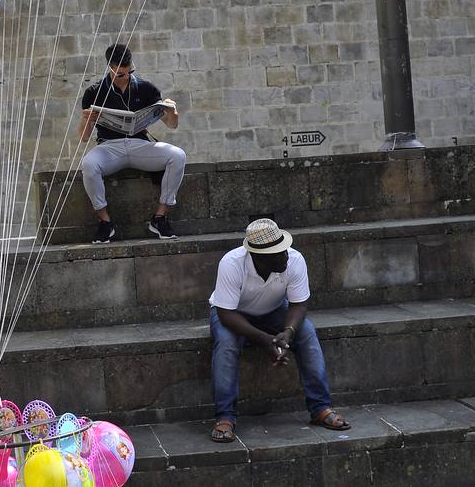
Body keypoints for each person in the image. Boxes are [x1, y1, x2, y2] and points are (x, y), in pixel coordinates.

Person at [207, 218, 348, 443]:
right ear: (258, 257)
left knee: (307, 333)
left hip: (275, 310)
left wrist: (288, 332)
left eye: (284, 249)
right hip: (234, 313)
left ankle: (320, 407)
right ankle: (225, 417)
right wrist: (265, 340)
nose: (285, 256)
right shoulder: (232, 263)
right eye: (278, 253)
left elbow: (299, 305)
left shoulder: (294, 259)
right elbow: (226, 314)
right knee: (226, 344)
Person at [78, 43, 184, 243]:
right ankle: (105, 222)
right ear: (110, 68)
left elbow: (171, 125)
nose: (125, 76)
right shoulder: (94, 91)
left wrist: (173, 112)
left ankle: (160, 217)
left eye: (129, 72)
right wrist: (87, 118)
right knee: (89, 164)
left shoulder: (146, 88)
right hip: (109, 147)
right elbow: (84, 138)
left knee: (177, 155)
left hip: (140, 144)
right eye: (120, 74)